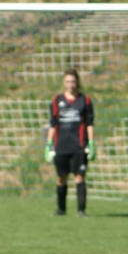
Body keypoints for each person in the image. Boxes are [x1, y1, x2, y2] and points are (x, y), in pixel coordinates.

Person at [46, 68, 96, 218]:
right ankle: (61, 209)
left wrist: (91, 143)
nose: (70, 84)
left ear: (77, 82)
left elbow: (89, 124)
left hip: (79, 145)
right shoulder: (57, 100)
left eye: (73, 81)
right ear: (64, 82)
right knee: (61, 177)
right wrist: (48, 143)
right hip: (61, 145)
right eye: (67, 81)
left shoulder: (85, 100)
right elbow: (53, 124)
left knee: (79, 177)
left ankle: (81, 210)